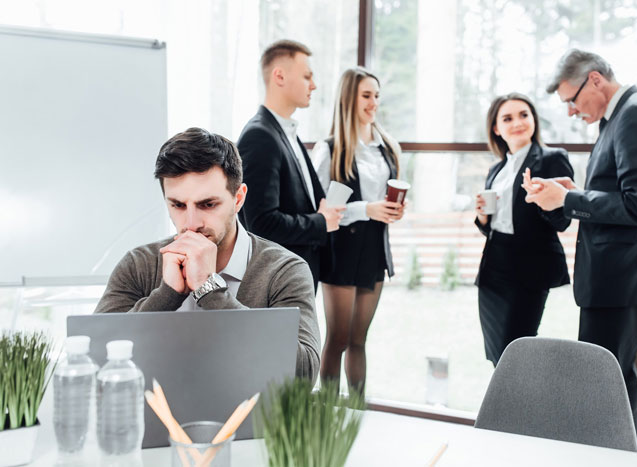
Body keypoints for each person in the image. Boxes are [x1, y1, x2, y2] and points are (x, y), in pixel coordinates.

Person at [523, 49, 637, 449]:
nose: (573, 113)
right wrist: (573, 192)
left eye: (572, 101)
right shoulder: (624, 115)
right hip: (617, 274)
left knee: (603, 385)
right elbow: (621, 192)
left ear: (595, 79)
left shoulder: (636, 115)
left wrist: (568, 202)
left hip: (620, 275)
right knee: (613, 383)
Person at [94, 127, 321, 381]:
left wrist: (210, 289)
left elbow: (303, 375)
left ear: (238, 199)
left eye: (208, 204)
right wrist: (167, 294)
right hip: (154, 418)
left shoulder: (285, 270)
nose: (191, 224)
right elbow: (96, 360)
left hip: (253, 419)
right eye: (178, 205)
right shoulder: (138, 265)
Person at [311, 67, 404, 393]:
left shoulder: (387, 148)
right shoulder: (329, 148)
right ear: (349, 99)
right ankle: (328, 411)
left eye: (377, 95)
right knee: (337, 339)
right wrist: (368, 209)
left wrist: (392, 210)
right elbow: (319, 209)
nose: (373, 102)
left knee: (359, 340)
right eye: (367, 95)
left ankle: (357, 411)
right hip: (341, 251)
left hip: (375, 249)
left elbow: (386, 198)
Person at [474, 93, 574, 366]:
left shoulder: (553, 159)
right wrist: (483, 217)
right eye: (507, 118)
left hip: (530, 269)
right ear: (496, 128)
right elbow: (494, 226)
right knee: (496, 353)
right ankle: (502, 407)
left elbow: (563, 221)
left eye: (524, 115)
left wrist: (541, 199)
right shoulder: (496, 170)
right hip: (494, 268)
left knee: (516, 353)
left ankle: (518, 407)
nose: (517, 122)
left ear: (533, 120)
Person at [237, 39, 345, 290]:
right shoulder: (259, 136)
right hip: (278, 280)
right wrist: (321, 222)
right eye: (307, 76)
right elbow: (262, 223)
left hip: (297, 274)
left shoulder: (286, 132)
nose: (314, 85)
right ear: (279, 76)